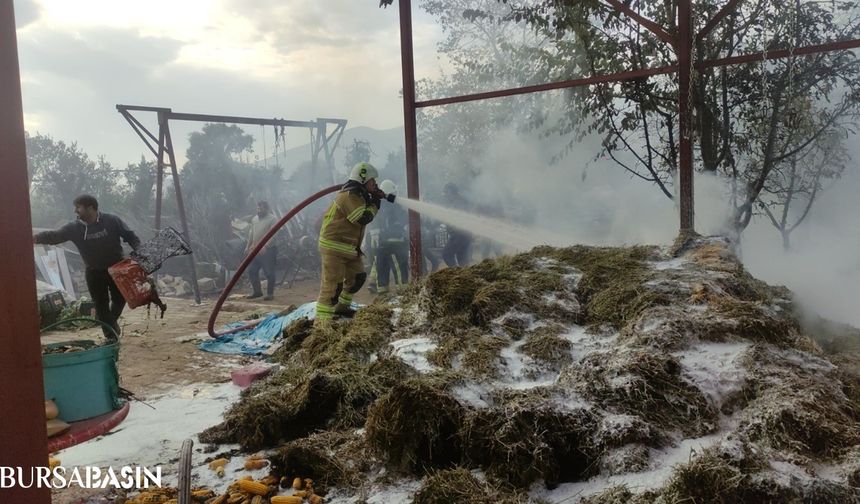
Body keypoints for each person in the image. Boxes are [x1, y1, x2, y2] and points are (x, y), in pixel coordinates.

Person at [33, 194, 140, 339]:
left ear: (90, 208)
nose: (75, 211)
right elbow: (55, 236)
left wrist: (138, 249)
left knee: (120, 300)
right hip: (94, 273)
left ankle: (111, 323)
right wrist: (35, 238)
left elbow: (130, 236)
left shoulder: (112, 220)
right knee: (101, 306)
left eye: (78, 207)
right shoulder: (74, 228)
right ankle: (111, 337)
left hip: (117, 270)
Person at [315, 162, 394, 326]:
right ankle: (322, 324)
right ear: (362, 179)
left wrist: (373, 197)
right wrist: (375, 204)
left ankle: (342, 308)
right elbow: (362, 218)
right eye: (373, 181)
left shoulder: (359, 195)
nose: (375, 185)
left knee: (357, 278)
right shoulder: (349, 196)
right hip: (334, 247)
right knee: (332, 286)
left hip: (349, 248)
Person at [372, 180, 409, 293]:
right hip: (395, 243)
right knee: (399, 268)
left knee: (381, 268)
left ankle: (383, 294)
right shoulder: (395, 206)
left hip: (381, 244)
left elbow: (374, 223)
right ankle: (403, 292)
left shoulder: (378, 206)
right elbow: (404, 220)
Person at [245, 200, 278, 300]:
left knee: (268, 272)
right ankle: (257, 291)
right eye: (258, 208)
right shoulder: (254, 219)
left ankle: (270, 294)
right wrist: (248, 246)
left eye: (261, 209)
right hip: (255, 249)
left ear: (266, 209)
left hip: (268, 250)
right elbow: (251, 233)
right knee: (252, 271)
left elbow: (274, 234)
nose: (259, 211)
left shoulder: (272, 219)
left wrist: (266, 246)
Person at [441, 183, 472, 267]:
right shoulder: (459, 201)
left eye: (446, 192)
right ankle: (465, 276)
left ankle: (457, 274)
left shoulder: (458, 203)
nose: (445, 195)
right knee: (462, 260)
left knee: (446, 254)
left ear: (451, 192)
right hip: (464, 235)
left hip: (460, 234)